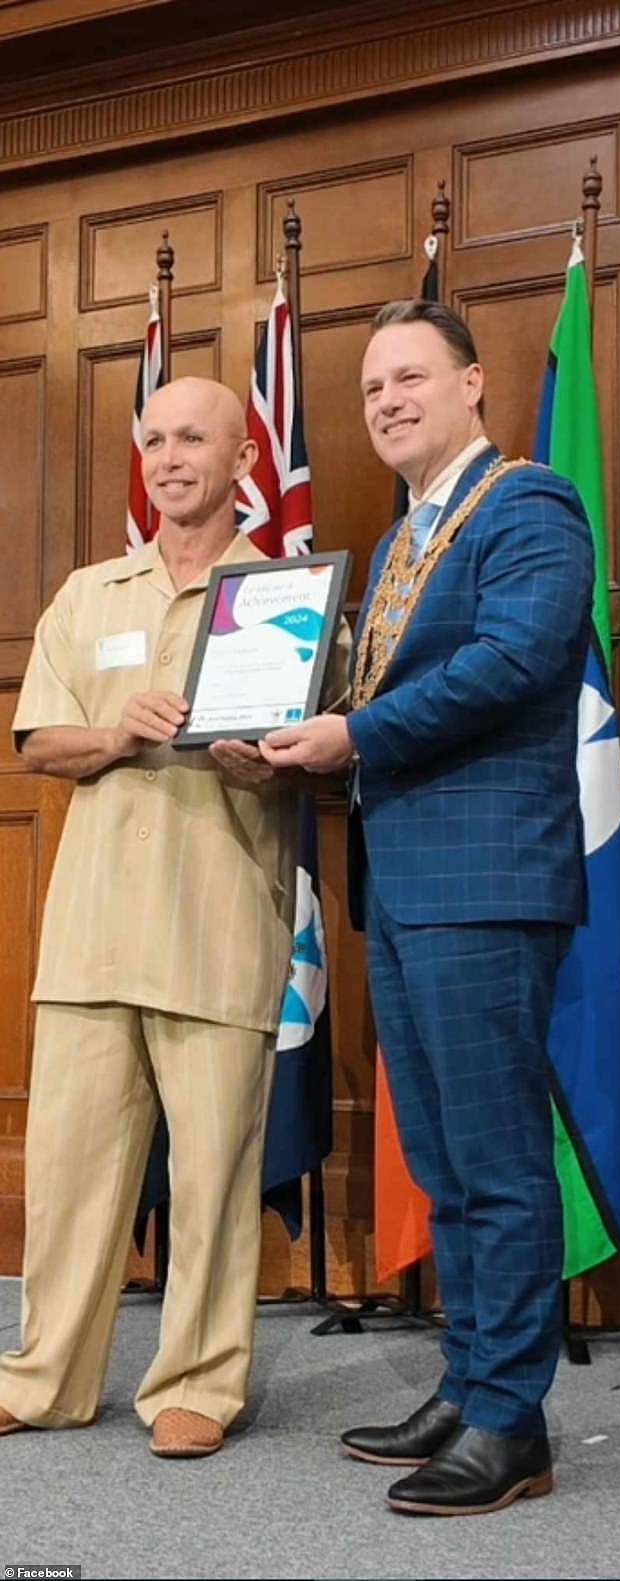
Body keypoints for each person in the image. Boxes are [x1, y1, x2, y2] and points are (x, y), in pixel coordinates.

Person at [259, 300, 594, 1516]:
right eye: (368, 389)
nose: (387, 400)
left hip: (487, 876)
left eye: (410, 376)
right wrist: (306, 749)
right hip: (402, 881)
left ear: (473, 388)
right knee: (449, 1159)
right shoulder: (406, 537)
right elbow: (390, 701)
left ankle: (512, 1427)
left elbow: (513, 662)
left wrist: (351, 729)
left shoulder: (528, 506)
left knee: (497, 1160)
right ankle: (471, 1381)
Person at [0, 376, 349, 1459]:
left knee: (212, 1173)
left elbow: (322, 764)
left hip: (218, 926)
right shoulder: (87, 592)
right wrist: (117, 731)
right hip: (94, 935)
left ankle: (197, 1381)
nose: (167, 457)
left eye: (192, 437)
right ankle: (44, 1376)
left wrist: (261, 764)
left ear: (245, 459)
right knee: (66, 1174)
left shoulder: (288, 598)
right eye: (152, 440)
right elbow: (36, 743)